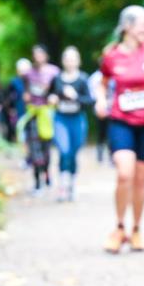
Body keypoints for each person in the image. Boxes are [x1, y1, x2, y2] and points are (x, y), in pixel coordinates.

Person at [93, 5, 144, 253]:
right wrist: (100, 100)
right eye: (143, 25)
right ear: (127, 26)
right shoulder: (111, 55)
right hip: (121, 121)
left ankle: (136, 230)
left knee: (140, 180)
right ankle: (118, 228)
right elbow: (102, 83)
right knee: (124, 173)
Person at [51, 46, 93, 202]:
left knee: (74, 152)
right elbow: (50, 95)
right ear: (63, 61)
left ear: (78, 61)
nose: (70, 62)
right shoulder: (57, 79)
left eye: (73, 59)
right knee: (64, 151)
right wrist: (52, 99)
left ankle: (72, 185)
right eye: (67, 59)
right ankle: (62, 185)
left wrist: (76, 97)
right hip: (61, 119)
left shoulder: (83, 79)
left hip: (77, 119)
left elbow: (89, 101)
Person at [20, 45, 60, 196]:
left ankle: (47, 174)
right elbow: (25, 92)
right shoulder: (27, 74)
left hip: (47, 115)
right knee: (34, 149)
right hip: (32, 114)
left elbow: (57, 91)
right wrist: (26, 97)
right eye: (35, 54)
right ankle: (37, 182)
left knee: (46, 149)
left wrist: (53, 98)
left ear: (46, 55)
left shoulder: (54, 72)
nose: (38, 57)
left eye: (40, 54)